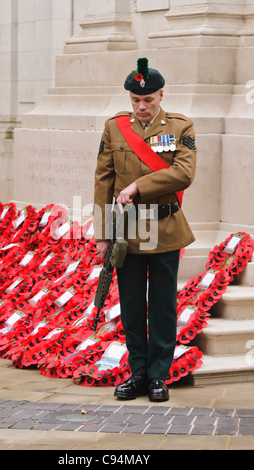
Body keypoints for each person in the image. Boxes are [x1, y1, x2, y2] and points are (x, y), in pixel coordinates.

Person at [93, 58, 197, 401]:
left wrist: (138, 186)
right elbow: (103, 182)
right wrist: (103, 234)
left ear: (160, 96)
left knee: (163, 304)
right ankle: (138, 371)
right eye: (135, 100)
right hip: (126, 230)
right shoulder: (114, 128)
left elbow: (184, 173)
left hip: (165, 227)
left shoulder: (181, 127)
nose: (141, 106)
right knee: (133, 303)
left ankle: (158, 376)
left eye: (148, 100)